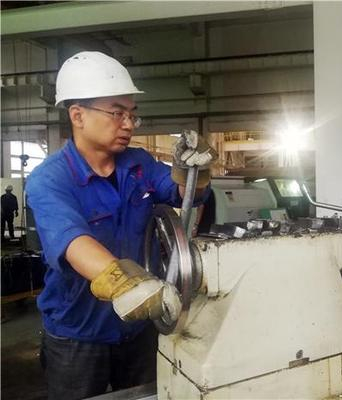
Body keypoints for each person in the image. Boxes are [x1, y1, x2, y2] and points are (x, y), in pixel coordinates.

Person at [25, 51, 217, 400]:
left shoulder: (138, 164)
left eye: (132, 114)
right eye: (117, 113)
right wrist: (130, 285)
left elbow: (184, 193)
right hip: (78, 337)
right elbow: (73, 242)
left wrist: (195, 170)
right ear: (78, 115)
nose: (129, 124)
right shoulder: (49, 179)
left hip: (139, 329)